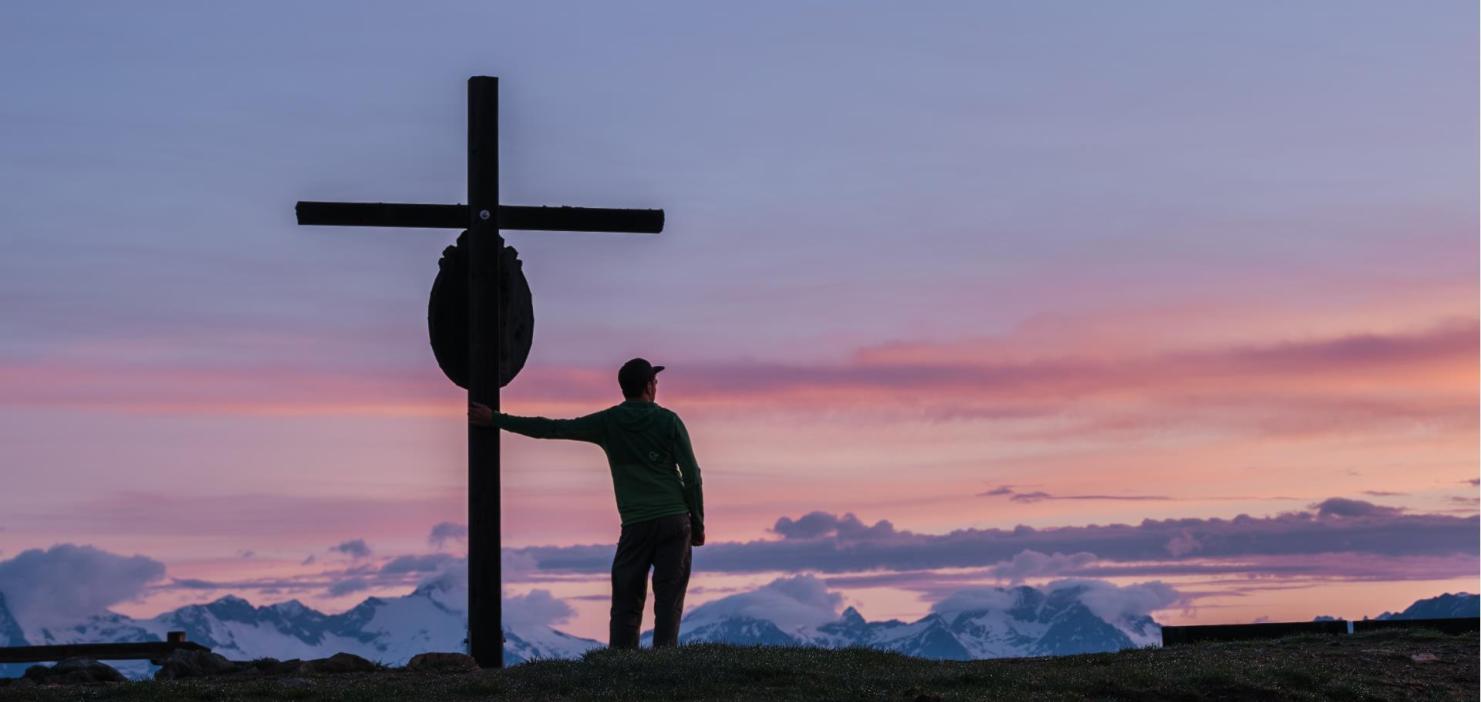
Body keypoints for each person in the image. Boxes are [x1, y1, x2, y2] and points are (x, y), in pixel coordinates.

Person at [467, 357, 705, 649]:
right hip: (675, 520)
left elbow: (552, 428)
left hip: (635, 524)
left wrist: (495, 419)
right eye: (654, 382)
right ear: (647, 387)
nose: (656, 386)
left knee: (626, 600)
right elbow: (692, 476)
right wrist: (698, 524)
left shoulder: (607, 422)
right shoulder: (669, 421)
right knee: (669, 601)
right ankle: (664, 667)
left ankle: (621, 666)